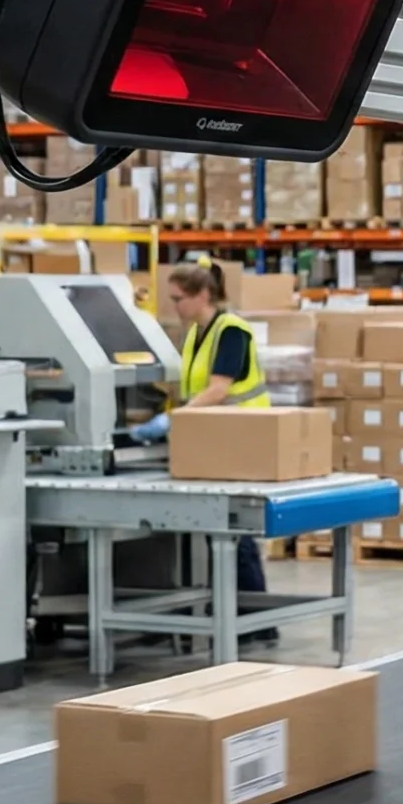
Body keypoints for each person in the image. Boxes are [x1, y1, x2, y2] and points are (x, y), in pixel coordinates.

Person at [130, 261, 274, 639]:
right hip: (212, 440)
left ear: (203, 295)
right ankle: (226, 611)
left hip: (241, 437)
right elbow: (192, 388)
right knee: (214, 529)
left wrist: (172, 420)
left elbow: (218, 390)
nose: (174, 306)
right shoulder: (196, 334)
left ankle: (257, 620)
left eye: (180, 299)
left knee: (234, 528)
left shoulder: (232, 332)